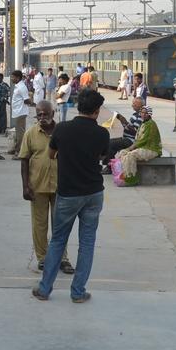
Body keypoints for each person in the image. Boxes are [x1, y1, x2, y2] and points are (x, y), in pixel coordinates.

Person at [32, 89, 110, 303]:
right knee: (87, 242)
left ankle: (44, 289)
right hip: (93, 193)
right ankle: (78, 292)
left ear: (78, 106)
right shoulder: (102, 134)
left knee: (58, 240)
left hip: (67, 194)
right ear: (96, 111)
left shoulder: (62, 129)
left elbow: (51, 155)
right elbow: (102, 156)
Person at [20, 101, 73, 274]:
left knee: (61, 225)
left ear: (53, 113)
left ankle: (62, 258)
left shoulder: (63, 133)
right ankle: (42, 258)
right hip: (37, 186)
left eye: (45, 114)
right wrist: (25, 186)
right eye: (39, 114)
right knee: (39, 225)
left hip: (60, 186)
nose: (42, 117)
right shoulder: (30, 134)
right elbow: (24, 160)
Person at [113, 105, 162, 182]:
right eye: (142, 113)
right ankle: (124, 176)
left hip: (152, 149)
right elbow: (137, 138)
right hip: (143, 147)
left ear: (149, 114)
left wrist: (131, 148)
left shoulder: (151, 124)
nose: (143, 115)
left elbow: (144, 140)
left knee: (130, 155)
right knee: (123, 152)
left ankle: (131, 178)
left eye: (145, 113)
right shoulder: (143, 123)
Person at [103, 97, 145, 170]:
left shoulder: (141, 116)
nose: (133, 105)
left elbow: (135, 131)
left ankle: (110, 167)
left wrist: (124, 121)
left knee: (111, 144)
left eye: (135, 104)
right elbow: (128, 127)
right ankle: (110, 164)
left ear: (141, 105)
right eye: (133, 103)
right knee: (109, 142)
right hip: (127, 138)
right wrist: (121, 120)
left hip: (132, 140)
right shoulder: (135, 114)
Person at [8, 70, 33, 156]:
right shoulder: (18, 86)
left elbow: (26, 100)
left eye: (13, 77)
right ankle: (17, 149)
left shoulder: (21, 87)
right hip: (18, 112)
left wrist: (32, 102)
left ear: (18, 78)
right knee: (18, 132)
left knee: (20, 134)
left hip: (20, 112)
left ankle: (20, 152)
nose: (11, 79)